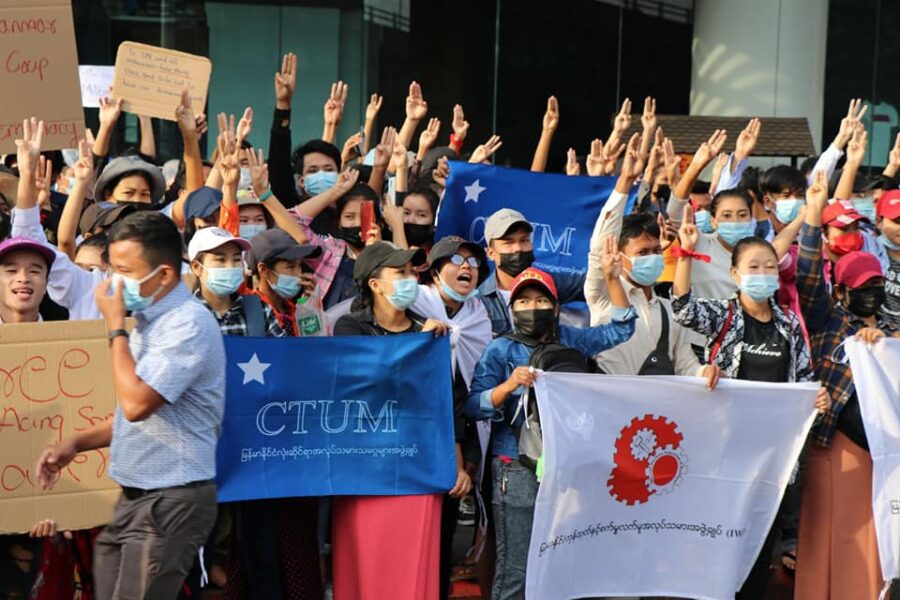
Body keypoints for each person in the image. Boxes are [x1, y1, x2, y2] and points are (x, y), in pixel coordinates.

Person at [33, 211, 225, 598]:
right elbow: (137, 416)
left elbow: (136, 403)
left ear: (165, 275)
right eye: (111, 269)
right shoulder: (152, 320)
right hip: (139, 496)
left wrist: (115, 327)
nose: (112, 283)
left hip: (170, 500)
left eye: (123, 270)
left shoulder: (186, 324)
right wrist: (75, 443)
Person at [671, 204, 828, 598]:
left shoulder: (790, 323)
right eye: (753, 268)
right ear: (735, 275)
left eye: (769, 268)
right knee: (720, 539)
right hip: (726, 452)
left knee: (761, 543)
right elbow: (683, 308)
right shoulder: (723, 316)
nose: (762, 275)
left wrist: (818, 398)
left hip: (773, 458)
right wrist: (686, 255)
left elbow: (804, 380)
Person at [468, 256, 637, 600]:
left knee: (564, 560)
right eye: (524, 301)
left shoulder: (572, 339)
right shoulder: (500, 349)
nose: (534, 307)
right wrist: (509, 386)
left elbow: (622, 327)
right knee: (516, 567)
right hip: (515, 466)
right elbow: (474, 406)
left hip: (568, 466)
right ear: (513, 308)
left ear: (556, 306)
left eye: (542, 300)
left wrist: (614, 280)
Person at [794, 170, 898, 600]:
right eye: (859, 286)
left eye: (875, 284)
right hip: (830, 443)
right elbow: (808, 276)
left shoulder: (893, 331)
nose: (869, 292)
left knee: (870, 541)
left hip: (880, 452)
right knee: (825, 537)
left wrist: (887, 342)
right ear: (842, 290)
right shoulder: (828, 320)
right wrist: (814, 217)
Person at [331, 241, 450, 600]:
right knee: (365, 565)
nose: (410, 279)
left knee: (411, 568)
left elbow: (447, 399)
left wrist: (461, 458)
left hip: (417, 465)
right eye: (399, 273)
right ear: (374, 284)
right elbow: (366, 380)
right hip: (363, 469)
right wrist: (419, 340)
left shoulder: (430, 333)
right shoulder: (350, 327)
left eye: (412, 272)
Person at [586, 131, 719, 383]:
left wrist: (705, 372)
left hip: (654, 417)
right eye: (642, 253)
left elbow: (684, 363)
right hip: (611, 408)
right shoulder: (603, 293)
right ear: (619, 256)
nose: (652, 258)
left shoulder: (669, 310)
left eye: (656, 251)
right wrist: (625, 180)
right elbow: (598, 246)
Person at [411, 235, 492, 598]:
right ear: (434, 270)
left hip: (461, 441)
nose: (466, 268)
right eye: (457, 260)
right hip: (415, 443)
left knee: (443, 542)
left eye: (474, 264)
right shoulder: (413, 306)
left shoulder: (480, 319)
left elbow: (471, 392)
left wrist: (469, 458)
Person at [477, 207, 587, 336]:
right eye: (508, 242)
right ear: (490, 253)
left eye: (524, 240)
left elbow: (595, 285)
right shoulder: (478, 301)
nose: (518, 248)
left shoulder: (550, 282)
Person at [246, 227, 323, 336]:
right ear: (263, 270)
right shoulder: (253, 311)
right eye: (290, 267)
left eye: (299, 266)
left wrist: (310, 308)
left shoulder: (293, 309)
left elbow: (314, 346)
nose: (298, 274)